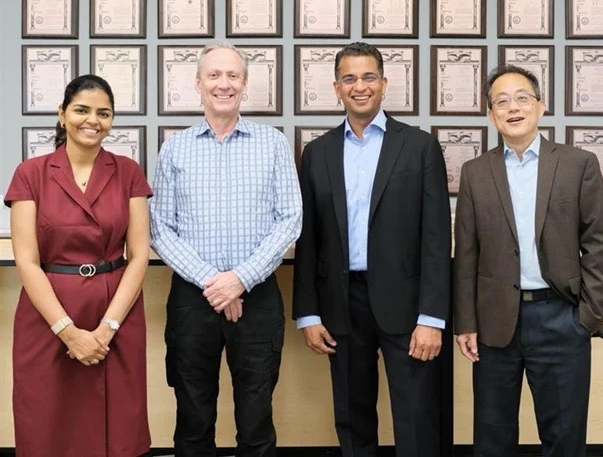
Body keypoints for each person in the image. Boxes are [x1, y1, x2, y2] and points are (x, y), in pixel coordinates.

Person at [293, 42, 451, 457]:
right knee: (351, 415)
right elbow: (309, 239)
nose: (359, 86)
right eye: (349, 78)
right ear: (336, 88)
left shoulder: (419, 147)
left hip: (408, 305)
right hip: (341, 304)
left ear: (383, 83)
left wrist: (432, 317)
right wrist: (308, 313)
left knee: (416, 416)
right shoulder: (318, 153)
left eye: (368, 77)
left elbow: (437, 238)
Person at [150, 40, 302, 457]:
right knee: (193, 417)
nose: (224, 83)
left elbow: (290, 218)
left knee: (256, 418)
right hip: (192, 300)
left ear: (245, 84)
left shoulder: (272, 143)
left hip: (257, 298)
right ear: (198, 83)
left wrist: (239, 279)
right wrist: (214, 283)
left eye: (233, 75)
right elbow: (160, 228)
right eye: (214, 75)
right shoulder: (175, 148)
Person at [453, 65, 603, 457]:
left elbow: (597, 244)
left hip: (561, 317)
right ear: (491, 114)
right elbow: (467, 255)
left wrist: (587, 316)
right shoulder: (475, 173)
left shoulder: (578, 164)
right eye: (501, 101)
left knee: (564, 437)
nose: (513, 108)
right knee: (492, 438)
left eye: (522, 98)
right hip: (495, 323)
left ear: (541, 106)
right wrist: (466, 322)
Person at [5, 74, 152, 457]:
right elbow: (27, 261)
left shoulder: (128, 171)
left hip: (115, 313)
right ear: (62, 114)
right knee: (47, 425)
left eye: (104, 113)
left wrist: (107, 328)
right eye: (82, 110)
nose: (93, 120)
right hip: (48, 315)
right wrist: (68, 332)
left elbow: (139, 255)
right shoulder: (30, 173)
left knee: (119, 430)